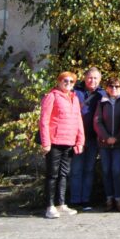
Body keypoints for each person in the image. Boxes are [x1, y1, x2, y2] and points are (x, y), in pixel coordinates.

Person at [40, 72, 85, 219]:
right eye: (65, 81)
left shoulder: (74, 98)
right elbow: (44, 121)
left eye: (72, 82)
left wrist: (80, 141)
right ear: (59, 81)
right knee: (52, 174)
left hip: (69, 141)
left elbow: (78, 120)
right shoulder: (51, 96)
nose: (68, 83)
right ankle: (50, 206)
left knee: (64, 174)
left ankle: (61, 203)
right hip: (54, 141)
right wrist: (46, 142)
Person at [94, 76, 120, 212]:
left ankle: (119, 199)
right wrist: (105, 137)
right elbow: (97, 121)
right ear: (107, 88)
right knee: (106, 171)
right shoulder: (102, 103)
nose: (114, 89)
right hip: (104, 143)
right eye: (111, 86)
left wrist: (118, 137)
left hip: (119, 143)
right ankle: (109, 199)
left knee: (116, 171)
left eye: (116, 86)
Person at [69, 66, 104, 211]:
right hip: (77, 137)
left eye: (96, 78)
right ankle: (75, 199)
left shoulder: (102, 94)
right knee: (76, 169)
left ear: (100, 80)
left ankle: (86, 200)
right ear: (85, 78)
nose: (92, 80)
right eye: (90, 77)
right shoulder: (75, 92)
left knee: (89, 169)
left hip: (93, 137)